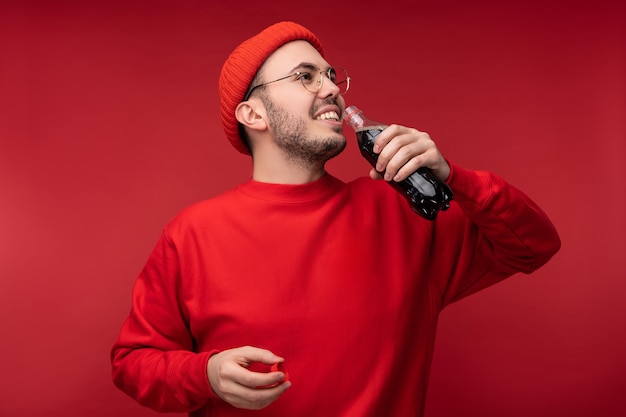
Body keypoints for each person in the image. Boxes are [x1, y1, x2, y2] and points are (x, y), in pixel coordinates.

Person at [111, 21, 561, 417]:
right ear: (253, 113)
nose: (331, 88)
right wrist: (204, 374)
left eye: (330, 75)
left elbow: (534, 244)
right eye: (304, 77)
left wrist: (454, 177)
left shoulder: (399, 212)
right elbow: (132, 362)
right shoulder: (192, 234)